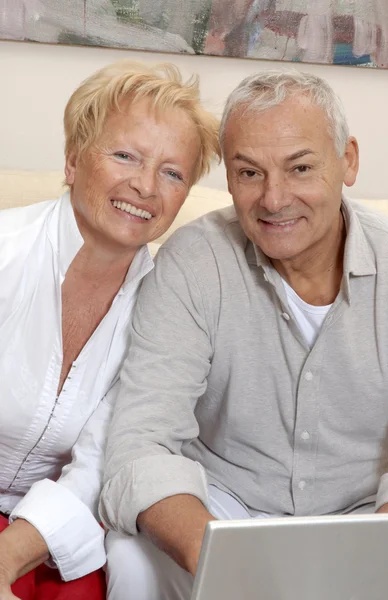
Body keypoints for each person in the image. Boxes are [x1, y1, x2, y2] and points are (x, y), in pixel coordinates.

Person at [100, 69, 388, 600]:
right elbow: (141, 442)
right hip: (221, 510)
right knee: (132, 563)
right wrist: (235, 566)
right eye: (249, 173)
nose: (274, 199)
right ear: (228, 179)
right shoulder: (192, 262)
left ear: (349, 161)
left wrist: (379, 560)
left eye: (300, 168)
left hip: (368, 515)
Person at [0, 59, 219, 600]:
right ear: (74, 161)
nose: (145, 186)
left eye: (172, 172)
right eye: (125, 155)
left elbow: (105, 460)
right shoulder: (6, 253)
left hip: (47, 530)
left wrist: (6, 557)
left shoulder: (171, 308)